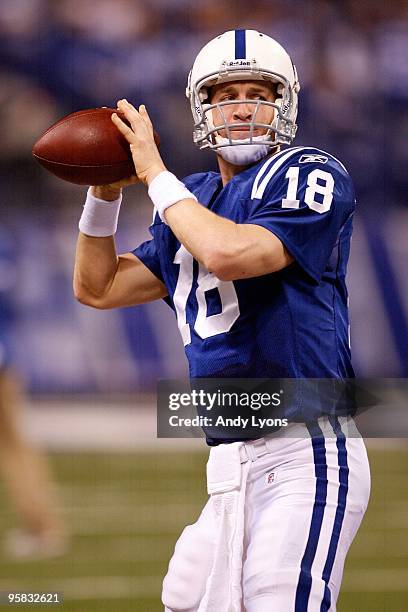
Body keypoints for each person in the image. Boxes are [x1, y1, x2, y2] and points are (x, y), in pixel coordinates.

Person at [74, 30, 370, 612]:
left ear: (284, 104)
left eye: (258, 91)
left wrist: (155, 176)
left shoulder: (308, 171)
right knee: (185, 598)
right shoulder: (195, 197)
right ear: (201, 109)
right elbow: (98, 286)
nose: (241, 106)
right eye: (224, 93)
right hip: (229, 462)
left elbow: (233, 254)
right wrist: (105, 191)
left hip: (306, 447)